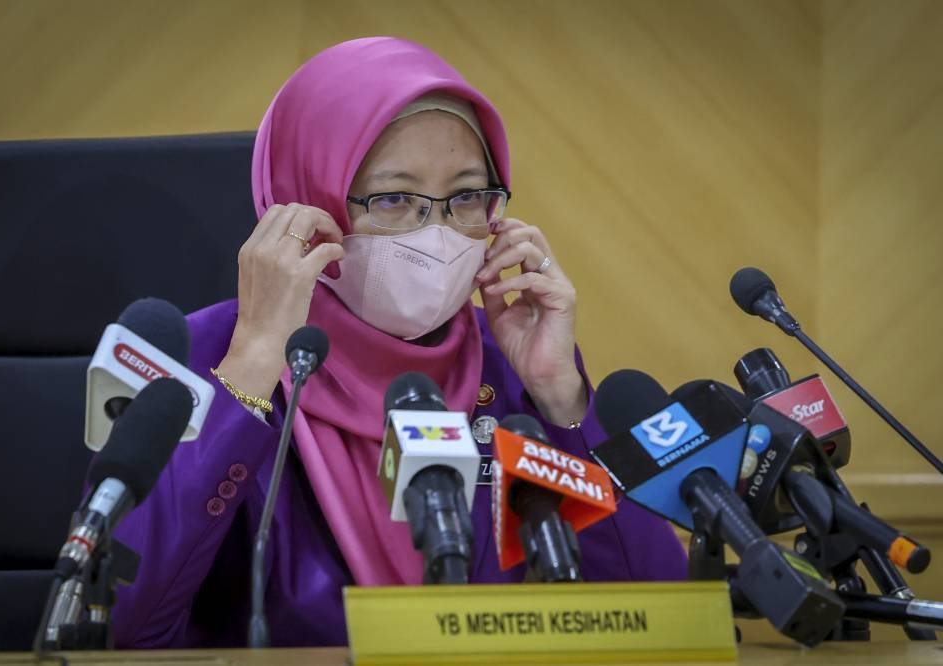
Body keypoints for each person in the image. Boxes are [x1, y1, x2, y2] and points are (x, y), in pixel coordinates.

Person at [111, 36, 686, 649]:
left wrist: (560, 398)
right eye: (392, 198)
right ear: (306, 202)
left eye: (466, 196)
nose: (435, 232)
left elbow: (650, 614)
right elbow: (127, 629)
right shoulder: (197, 360)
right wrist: (253, 362)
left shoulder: (512, 367)